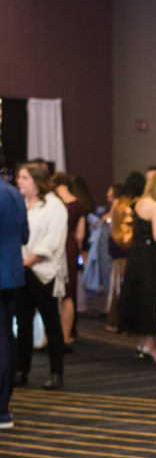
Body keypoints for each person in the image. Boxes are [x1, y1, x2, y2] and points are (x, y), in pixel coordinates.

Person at [14, 162, 68, 390]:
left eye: (24, 177)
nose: (19, 181)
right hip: (22, 270)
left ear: (37, 181)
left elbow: (53, 240)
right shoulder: (21, 204)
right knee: (23, 324)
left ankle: (57, 373)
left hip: (43, 272)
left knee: (51, 324)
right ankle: (21, 370)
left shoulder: (54, 206)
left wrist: (29, 260)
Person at [117, 171, 156, 362]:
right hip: (149, 257)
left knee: (138, 298)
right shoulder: (155, 206)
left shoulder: (139, 203)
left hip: (136, 255)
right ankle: (150, 346)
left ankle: (141, 343)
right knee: (151, 298)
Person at [0, 175, 29, 428]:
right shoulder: (14, 194)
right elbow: (24, 236)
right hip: (10, 274)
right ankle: (4, 405)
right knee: (6, 338)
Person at [106, 171, 144, 330]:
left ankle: (116, 321)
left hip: (116, 246)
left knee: (117, 287)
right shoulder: (132, 205)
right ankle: (123, 322)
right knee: (125, 288)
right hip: (129, 249)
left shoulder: (120, 203)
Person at [51, 172, 86, 347]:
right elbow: (81, 234)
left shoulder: (53, 202)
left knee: (51, 291)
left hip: (54, 245)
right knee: (68, 292)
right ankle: (66, 335)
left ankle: (49, 335)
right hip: (70, 245)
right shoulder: (79, 205)